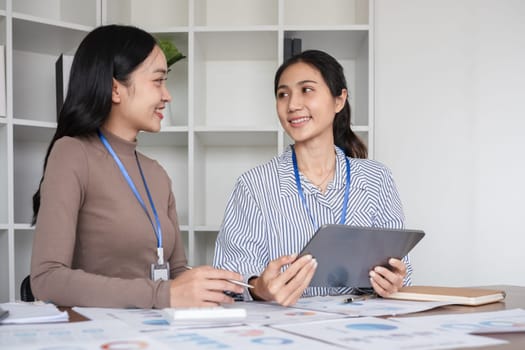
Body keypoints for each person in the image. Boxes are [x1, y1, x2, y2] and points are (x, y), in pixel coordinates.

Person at [30, 24, 243, 309]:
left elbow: (176, 273)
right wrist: (161, 295)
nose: (167, 95)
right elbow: (47, 280)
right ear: (114, 88)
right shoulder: (72, 153)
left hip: (158, 331)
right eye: (158, 81)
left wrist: (244, 285)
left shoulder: (156, 173)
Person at [213, 49, 411, 306]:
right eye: (283, 94)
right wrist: (259, 287)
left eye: (306, 90)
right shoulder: (254, 185)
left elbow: (400, 265)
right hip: (284, 329)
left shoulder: (376, 178)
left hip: (359, 326)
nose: (292, 105)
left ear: (339, 100)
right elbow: (230, 278)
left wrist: (393, 280)